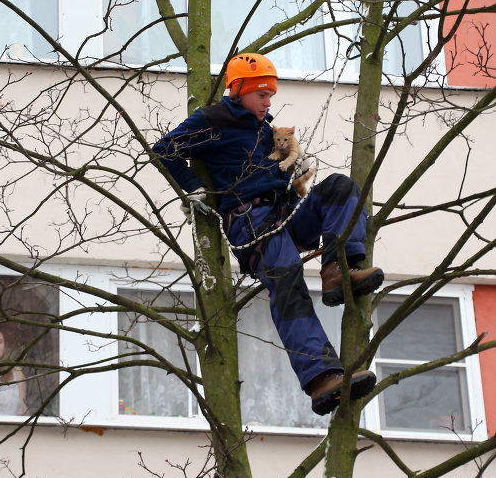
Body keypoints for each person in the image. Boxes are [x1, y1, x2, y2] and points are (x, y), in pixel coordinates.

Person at [152, 52, 384, 416]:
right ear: (240, 90)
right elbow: (164, 150)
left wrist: (296, 167)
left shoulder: (265, 130)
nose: (268, 101)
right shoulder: (215, 120)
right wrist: (192, 186)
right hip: (252, 221)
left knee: (341, 188)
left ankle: (338, 269)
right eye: (262, 94)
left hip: (285, 211)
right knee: (288, 283)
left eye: (270, 94)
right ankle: (321, 377)